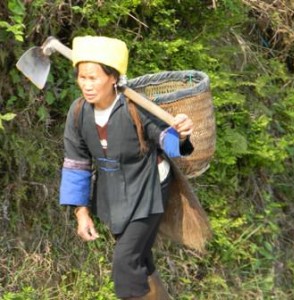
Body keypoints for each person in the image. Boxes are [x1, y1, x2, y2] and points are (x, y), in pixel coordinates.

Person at [59, 36, 194, 300]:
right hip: (113, 192)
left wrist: (184, 134)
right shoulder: (78, 113)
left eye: (93, 78)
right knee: (140, 260)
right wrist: (81, 212)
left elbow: (169, 141)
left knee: (125, 261)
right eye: (82, 78)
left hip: (148, 186)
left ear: (113, 77)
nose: (86, 85)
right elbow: (77, 163)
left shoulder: (137, 107)